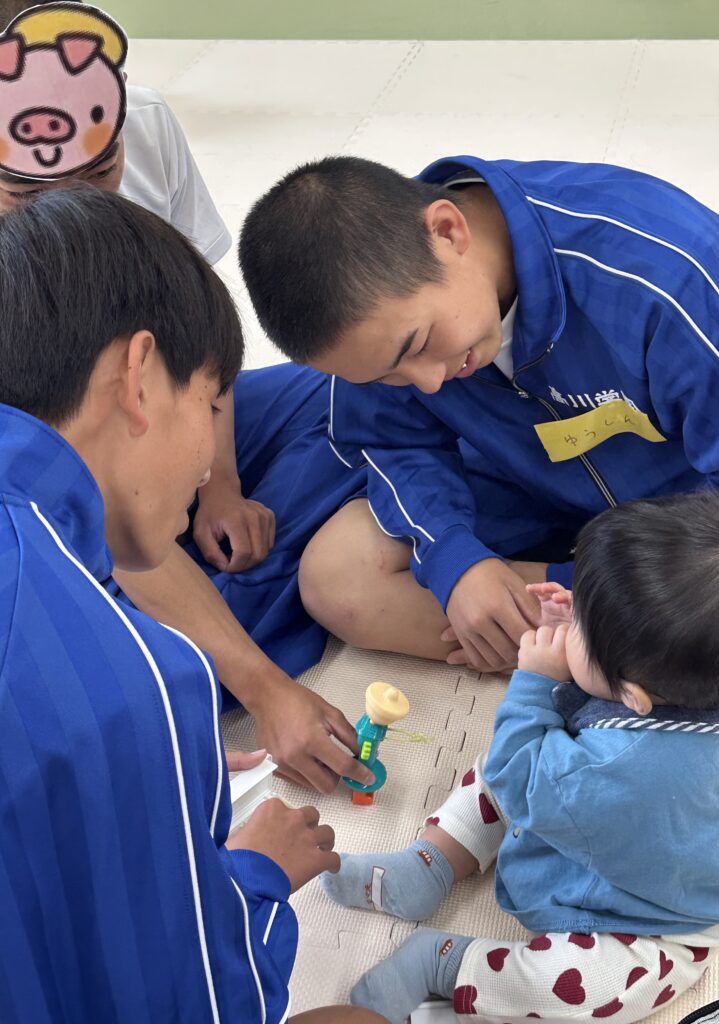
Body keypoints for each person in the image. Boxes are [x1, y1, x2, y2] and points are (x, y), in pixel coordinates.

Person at [0, 185, 387, 1024]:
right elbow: (202, 1007)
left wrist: (143, 796)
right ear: (139, 377)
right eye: (212, 404)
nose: (214, 460)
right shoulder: (139, 681)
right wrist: (253, 876)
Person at [0, 0, 374, 792]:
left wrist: (221, 482)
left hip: (146, 432)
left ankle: (213, 610)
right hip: (64, 492)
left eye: (101, 173)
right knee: (107, 659)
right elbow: (86, 508)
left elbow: (203, 335)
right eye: (32, 193)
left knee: (354, 393)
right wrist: (263, 686)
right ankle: (206, 642)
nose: (84, 212)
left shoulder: (140, 120)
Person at [239, 155, 719, 681]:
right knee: (338, 573)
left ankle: (591, 644)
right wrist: (457, 561)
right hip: (527, 481)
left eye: (418, 345)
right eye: (388, 375)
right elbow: (395, 443)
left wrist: (674, 581)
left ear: (448, 231)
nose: (427, 382)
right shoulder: (379, 323)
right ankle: (624, 650)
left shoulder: (665, 273)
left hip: (692, 515)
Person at [318, 490, 719, 1023]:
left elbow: (522, 776)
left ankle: (442, 963)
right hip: (598, 818)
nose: (569, 622)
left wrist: (533, 681)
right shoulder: (707, 683)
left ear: (632, 695)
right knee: (508, 762)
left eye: (582, 627)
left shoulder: (620, 768)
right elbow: (603, 688)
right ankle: (428, 864)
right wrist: (573, 622)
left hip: (649, 923)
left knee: (593, 986)